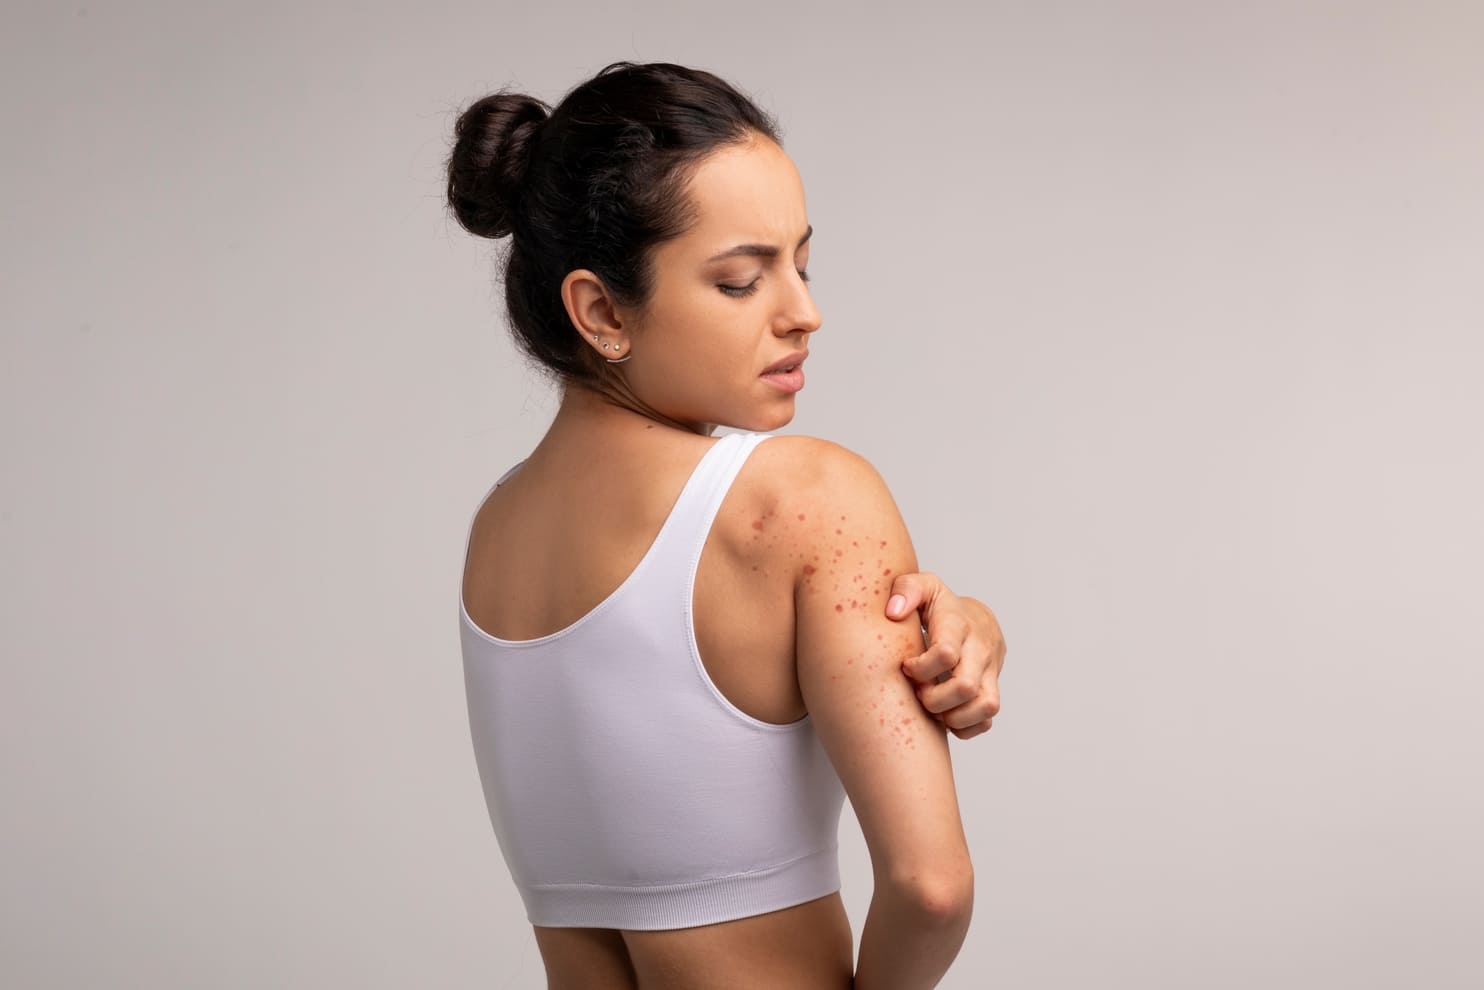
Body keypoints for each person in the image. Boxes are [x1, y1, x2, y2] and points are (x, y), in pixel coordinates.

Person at [449, 61, 1007, 990]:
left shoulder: (495, 536)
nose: (805, 312)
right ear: (600, 310)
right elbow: (932, 887)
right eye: (743, 281)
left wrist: (959, 624)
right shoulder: (805, 499)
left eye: (802, 262)